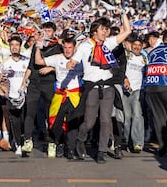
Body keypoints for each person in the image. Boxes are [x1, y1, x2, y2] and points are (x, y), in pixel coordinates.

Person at [67, 10, 131, 164]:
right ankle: (80, 140)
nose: (106, 31)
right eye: (103, 29)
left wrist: (122, 14)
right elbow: (74, 60)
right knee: (89, 122)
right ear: (95, 31)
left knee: (105, 120)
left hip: (108, 86)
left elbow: (128, 31)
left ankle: (101, 152)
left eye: (107, 29)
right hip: (92, 87)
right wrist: (71, 63)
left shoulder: (108, 43)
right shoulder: (85, 46)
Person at [35, 37, 83, 159]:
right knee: (56, 122)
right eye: (65, 48)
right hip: (60, 94)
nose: (67, 50)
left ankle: (71, 150)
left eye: (70, 48)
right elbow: (39, 61)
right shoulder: (57, 58)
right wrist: (38, 47)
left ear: (74, 48)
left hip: (75, 95)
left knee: (73, 123)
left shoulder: (80, 59)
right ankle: (60, 143)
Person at [22, 22, 62, 153]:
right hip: (34, 83)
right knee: (30, 111)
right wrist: (24, 80)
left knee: (50, 113)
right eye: (44, 30)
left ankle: (52, 142)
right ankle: (27, 140)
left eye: (49, 31)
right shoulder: (37, 46)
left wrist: (50, 68)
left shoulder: (57, 46)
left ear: (54, 32)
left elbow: (63, 63)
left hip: (49, 83)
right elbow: (31, 65)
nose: (46, 33)